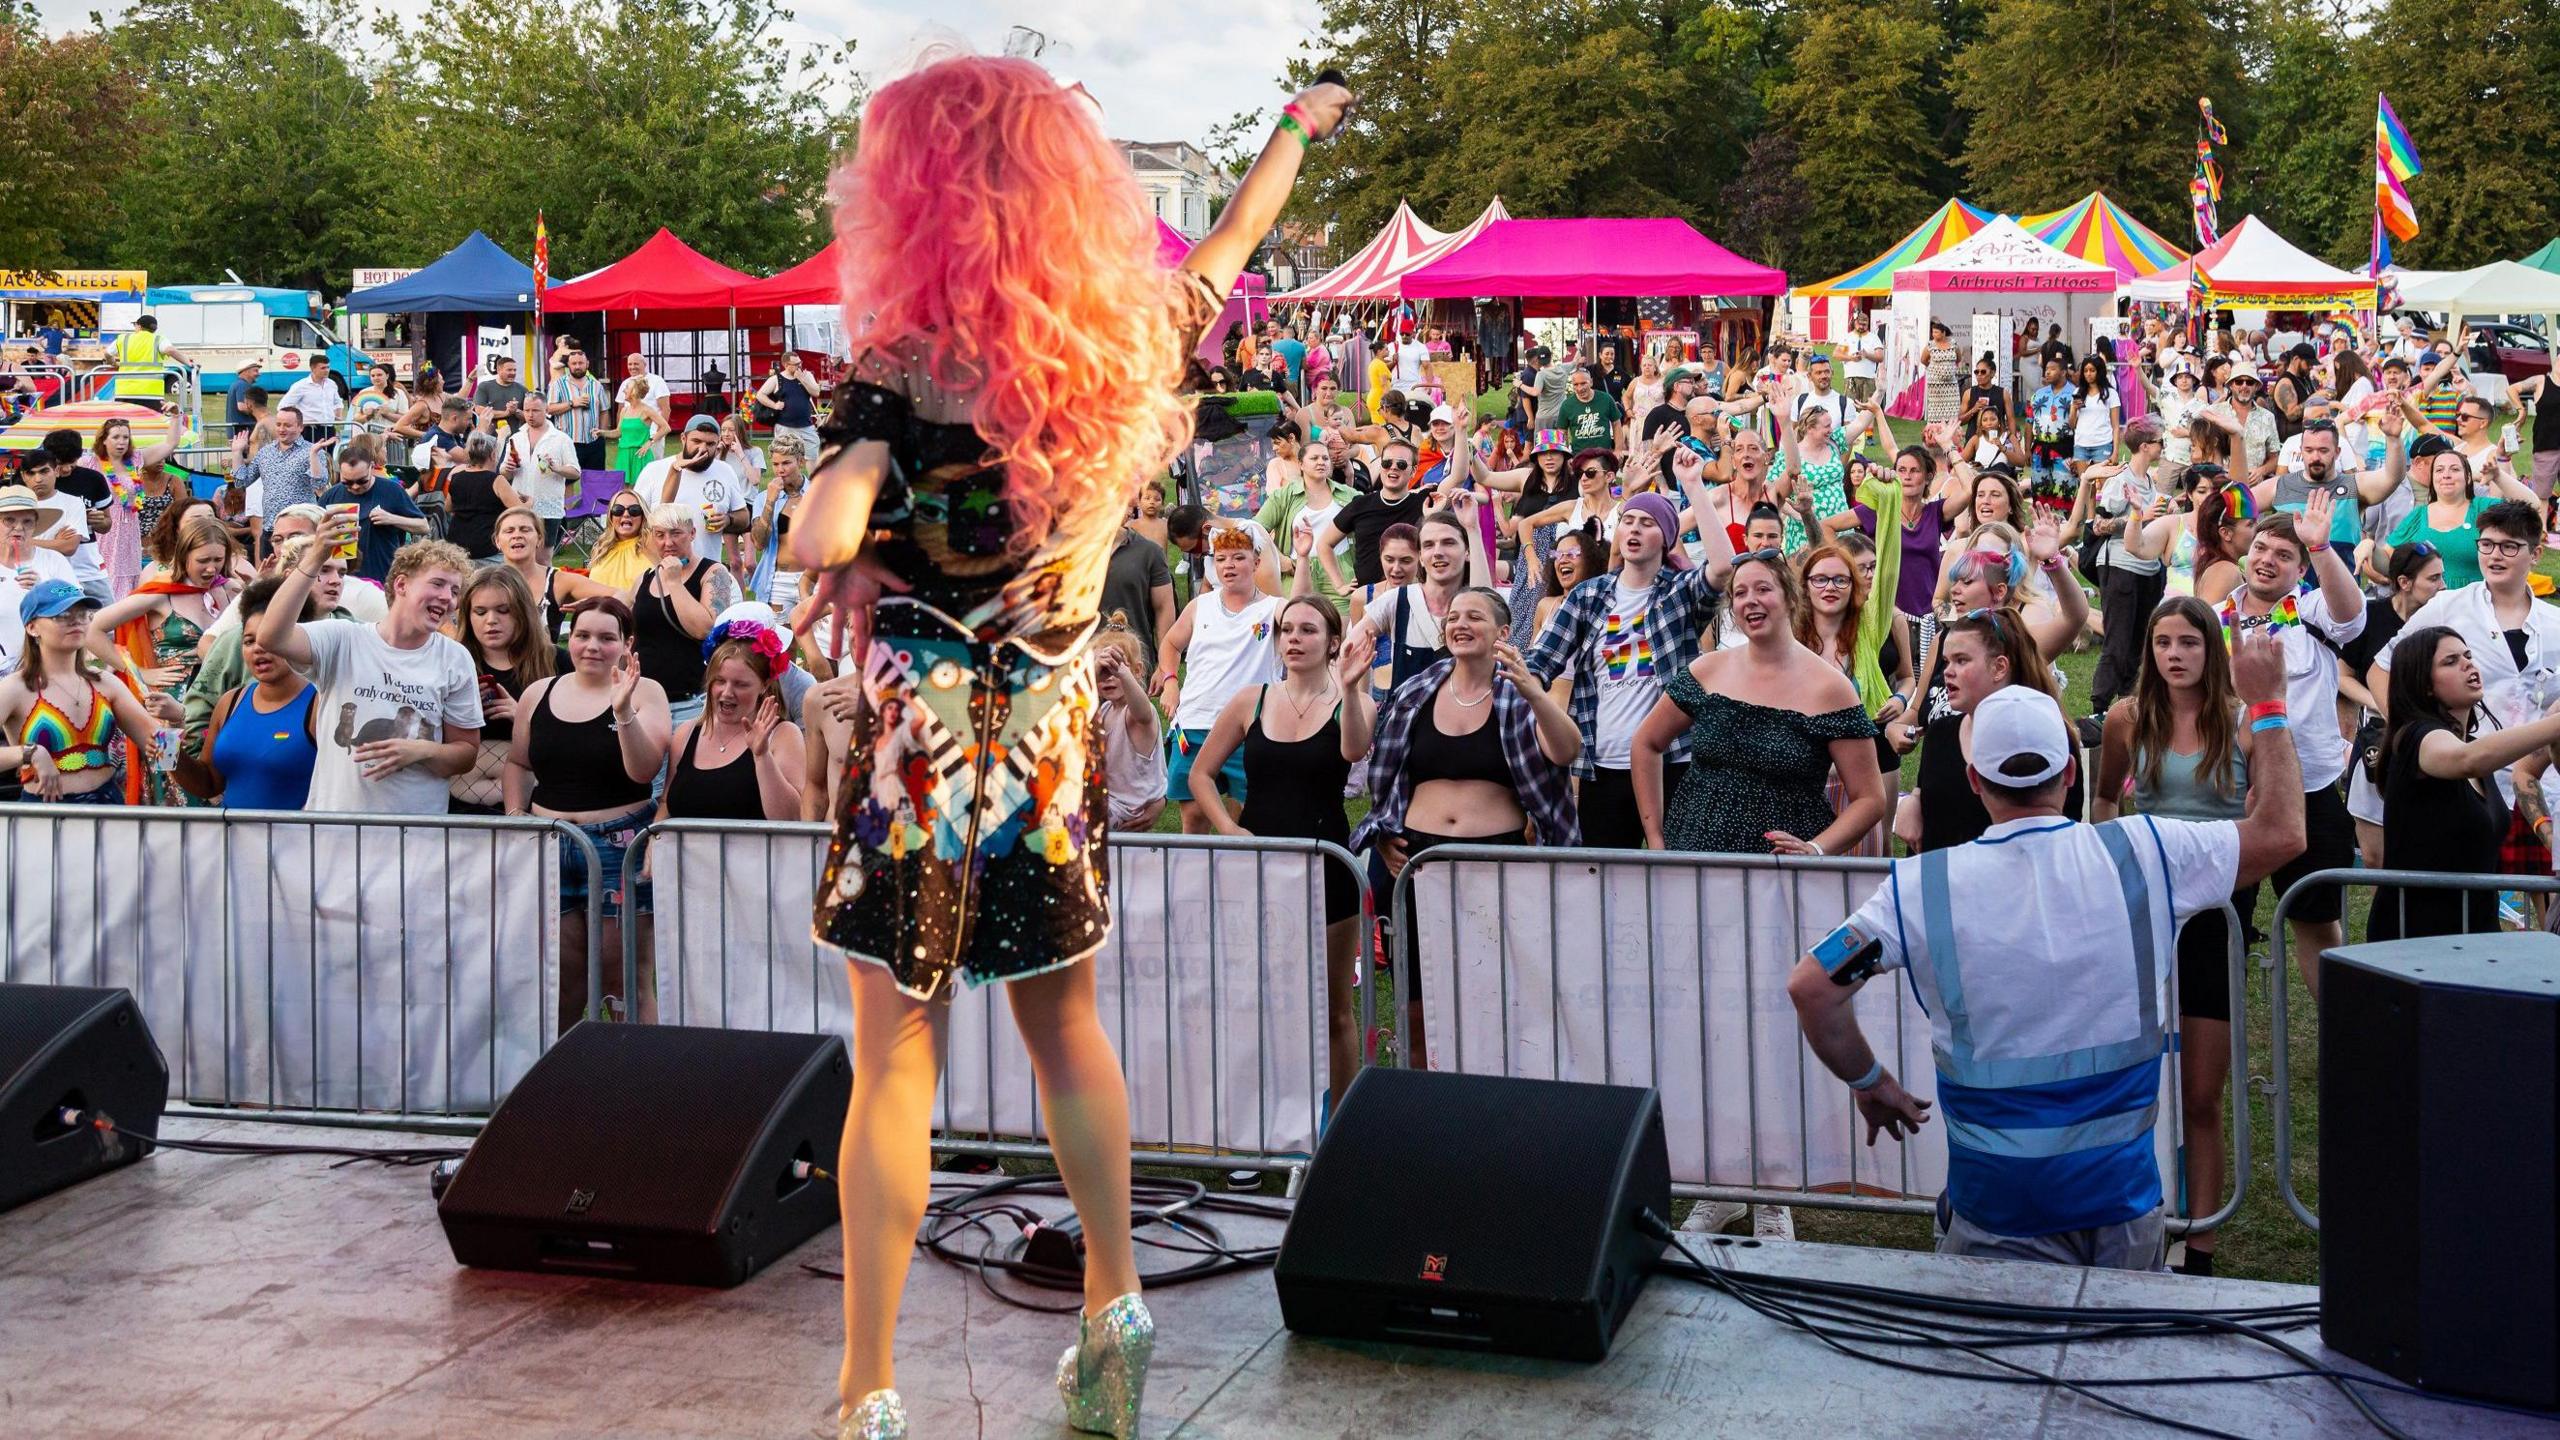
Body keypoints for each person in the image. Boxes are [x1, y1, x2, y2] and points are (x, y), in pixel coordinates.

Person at [780, 61, 1350, 1439]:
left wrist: (848, 515)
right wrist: (1292, 127)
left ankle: (866, 1390)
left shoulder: (899, 369)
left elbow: (818, 535)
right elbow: (1236, 239)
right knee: (1066, 1028)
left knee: (895, 1059)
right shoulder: (1134, 340)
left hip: (924, 762)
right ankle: (1113, 1294)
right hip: (1050, 750)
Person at [1788, 642, 2305, 1271]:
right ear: (2068, 773)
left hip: (1998, 1210)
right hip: (2121, 1205)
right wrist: (2270, 709)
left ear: (1975, 781)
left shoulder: (1919, 887)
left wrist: (1871, 1083)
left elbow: (1813, 986)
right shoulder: (2146, 851)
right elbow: (2282, 833)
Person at [2091, 597, 2256, 1274]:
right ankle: (2138, 1219)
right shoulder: (2129, 718)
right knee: (2135, 1082)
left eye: (2189, 642)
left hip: (2217, 918)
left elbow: (2269, 818)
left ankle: (2202, 1245)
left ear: (2210, 650)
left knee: (2200, 1092)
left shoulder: (2241, 723)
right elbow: (2105, 799)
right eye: (2162, 642)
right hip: (2145, 911)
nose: (2174, 655)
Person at [1354, 587, 1579, 1069]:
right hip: (1416, 862)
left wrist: (1535, 691)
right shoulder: (1417, 691)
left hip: (1496, 861)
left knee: (1496, 997)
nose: (1459, 623)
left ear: (1503, 632)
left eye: (1474, 616)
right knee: (1416, 998)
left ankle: (1490, 1108)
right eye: (1453, 616)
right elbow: (1388, 774)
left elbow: (1565, 751)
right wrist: (1386, 830)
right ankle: (1424, 1109)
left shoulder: (1521, 693)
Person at [1183, 596, 1375, 1102]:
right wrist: (1227, 826)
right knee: (1257, 1000)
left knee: (1334, 1006)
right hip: (1258, 865)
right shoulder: (1251, 699)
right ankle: (1261, 1118)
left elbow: (1354, 751)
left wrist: (1352, 688)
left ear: (1333, 642)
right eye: (1286, 629)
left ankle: (1341, 1126)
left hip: (1328, 865)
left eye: (1308, 630)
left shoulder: (1352, 701)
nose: (1293, 638)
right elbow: (1201, 774)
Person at [1636, 546, 1882, 855]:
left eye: (1763, 589)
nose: (1750, 600)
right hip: (1694, 859)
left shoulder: (1832, 688)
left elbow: (1870, 798)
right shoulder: (1706, 671)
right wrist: (1656, 838)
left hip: (1781, 872)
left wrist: (1815, 849)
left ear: (1791, 598)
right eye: (1740, 593)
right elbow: (1646, 742)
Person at [2218, 496, 2365, 996]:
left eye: (2284, 555)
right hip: (2229, 793)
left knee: (2318, 922)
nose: (2267, 559)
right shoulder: (2215, 618)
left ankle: (2343, 1042)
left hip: (2310, 791)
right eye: (2261, 548)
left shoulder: (2310, 611)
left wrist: (2321, 546)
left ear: (2300, 568)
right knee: (2223, 922)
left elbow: (2352, 617)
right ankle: (2222, 1037)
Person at [1523, 487, 1727, 848]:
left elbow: (1724, 568)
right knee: (1606, 885)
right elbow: (1540, 661)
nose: (1633, 529)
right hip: (1603, 765)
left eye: (1646, 523)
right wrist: (1523, 685)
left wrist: (1693, 485)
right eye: (1628, 521)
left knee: (1678, 877)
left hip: (1674, 761)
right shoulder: (1588, 595)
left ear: (1665, 538)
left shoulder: (1679, 592)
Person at [2376, 500, 2560, 884]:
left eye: (2509, 546)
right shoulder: (2448, 606)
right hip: (2470, 778)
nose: (2495, 555)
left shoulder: (2555, 623)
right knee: (2477, 891)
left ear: (2536, 553)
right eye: (2486, 544)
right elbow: (2385, 665)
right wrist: (2409, 728)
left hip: (2541, 786)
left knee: (2544, 901)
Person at [506, 596, 670, 1026]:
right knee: (563, 977)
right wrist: (512, 813)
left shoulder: (648, 692)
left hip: (620, 849)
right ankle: (562, 1077)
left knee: (623, 979)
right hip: (550, 844)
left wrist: (623, 711)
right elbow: (519, 764)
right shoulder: (538, 693)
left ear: (627, 644)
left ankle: (635, 1082)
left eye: (606, 637)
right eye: (582, 635)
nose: (591, 646)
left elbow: (644, 770)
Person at [256, 525, 483, 816]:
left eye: (455, 591)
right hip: (338, 829)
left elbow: (465, 753)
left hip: (415, 836)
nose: (448, 598)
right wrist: (314, 558)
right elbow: (271, 637)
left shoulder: (454, 657)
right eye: (437, 584)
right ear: (401, 585)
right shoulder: (343, 638)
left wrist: (422, 751)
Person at [2371, 626, 2560, 942]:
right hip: (2416, 939)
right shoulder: (2416, 739)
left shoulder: (2473, 749)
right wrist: (2554, 724)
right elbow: (2467, 759)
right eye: (2451, 661)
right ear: (2424, 683)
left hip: (2476, 933)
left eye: (2469, 656)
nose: (2469, 665)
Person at [89, 510, 241, 804]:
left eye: (217, 560)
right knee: (166, 784)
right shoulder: (160, 593)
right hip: (165, 709)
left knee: (216, 783)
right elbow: (93, 629)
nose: (211, 568)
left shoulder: (230, 592)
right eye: (203, 561)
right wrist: (139, 673)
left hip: (218, 703)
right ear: (184, 556)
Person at [1156, 525, 1285, 832]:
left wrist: (1303, 561)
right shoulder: (1201, 605)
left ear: (1255, 563)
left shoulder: (1274, 609)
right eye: (1221, 558)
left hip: (1250, 728)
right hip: (1197, 723)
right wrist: (1171, 681)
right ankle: (1195, 880)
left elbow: (1308, 623)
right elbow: (1171, 644)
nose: (1228, 565)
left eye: (1238, 558)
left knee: (1246, 820)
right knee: (1194, 821)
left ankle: (1238, 879)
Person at [0, 582, 164, 804]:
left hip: (106, 810)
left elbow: (163, 755)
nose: (76, 620)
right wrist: (30, 753)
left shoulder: (104, 683)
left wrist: (176, 717)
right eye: (62, 615)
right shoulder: (15, 688)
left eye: (83, 614)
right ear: (32, 628)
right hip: (44, 817)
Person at [174, 576, 318, 810]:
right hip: (232, 842)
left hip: (297, 842)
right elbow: (209, 784)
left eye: (270, 639)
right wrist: (169, 752)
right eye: (249, 641)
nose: (258, 649)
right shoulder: (231, 701)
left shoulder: (319, 703)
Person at [661, 618, 805, 822]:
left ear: (764, 685)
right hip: (683, 854)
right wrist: (653, 844)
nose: (727, 693)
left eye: (741, 684)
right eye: (720, 681)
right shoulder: (686, 734)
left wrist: (762, 756)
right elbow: (666, 803)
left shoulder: (784, 735)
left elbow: (791, 819)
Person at [449, 564, 559, 815]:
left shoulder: (554, 662)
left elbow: (575, 738)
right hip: (460, 807)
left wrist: (523, 716)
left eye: (503, 611)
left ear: (522, 612)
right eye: (480, 611)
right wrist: (457, 709)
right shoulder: (452, 663)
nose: (491, 621)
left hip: (532, 805)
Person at [2083, 418, 2170, 717]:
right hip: (2119, 567)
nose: (2163, 446)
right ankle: (2099, 708)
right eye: (2160, 441)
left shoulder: (2149, 481)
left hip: (2147, 570)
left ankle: (2128, 706)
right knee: (2117, 641)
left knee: (2137, 643)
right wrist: (2139, 516)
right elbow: (2098, 525)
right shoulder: (2120, 481)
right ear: (2145, 446)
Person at [2378, 443, 2540, 591]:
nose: (2446, 475)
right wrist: (2369, 548)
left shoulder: (2483, 508)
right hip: (2428, 607)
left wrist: (2498, 476)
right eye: (2439, 470)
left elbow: (2532, 505)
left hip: (2476, 605)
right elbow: (2387, 560)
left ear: (2468, 477)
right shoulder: (2418, 516)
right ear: (2433, 478)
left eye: (2455, 469)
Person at [630, 506, 736, 726]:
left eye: (676, 533)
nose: (668, 543)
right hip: (643, 701)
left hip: (689, 703)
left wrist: (675, 582)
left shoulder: (713, 573)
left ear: (693, 534)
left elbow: (705, 630)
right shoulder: (644, 579)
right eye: (660, 535)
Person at [1313, 438, 1433, 591]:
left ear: (1413, 471)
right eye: (1387, 463)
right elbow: (1324, 544)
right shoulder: (1360, 504)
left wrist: (1460, 429)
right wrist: (1340, 585)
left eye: (1401, 464)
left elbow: (1458, 477)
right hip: (1368, 599)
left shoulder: (1423, 502)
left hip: (1410, 594)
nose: (1393, 468)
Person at [87, 417, 183, 599]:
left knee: (128, 575)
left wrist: (176, 417)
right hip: (106, 529)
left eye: (125, 437)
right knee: (107, 574)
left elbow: (171, 443)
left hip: (129, 529)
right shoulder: (91, 463)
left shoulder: (136, 459)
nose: (121, 442)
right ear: (104, 440)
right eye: (116, 437)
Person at [636, 416, 750, 565]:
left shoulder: (725, 470)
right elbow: (636, 520)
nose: (702, 449)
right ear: (683, 438)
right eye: (696, 441)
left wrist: (728, 519)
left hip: (707, 570)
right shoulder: (654, 470)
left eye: (710, 444)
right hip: (662, 570)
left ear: (718, 444)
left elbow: (744, 516)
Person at [317, 440, 431, 585]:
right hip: (342, 577)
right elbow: (315, 531)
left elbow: (423, 526)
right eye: (347, 482)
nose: (355, 487)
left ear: (371, 467)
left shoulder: (391, 490)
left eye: (361, 481)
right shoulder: (332, 495)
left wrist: (392, 519)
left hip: (382, 575)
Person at [1091, 628, 1165, 832]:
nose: (1109, 677)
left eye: (1115, 670)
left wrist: (1122, 672)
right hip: (1110, 801)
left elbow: (1142, 712)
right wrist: (1091, 672)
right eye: (1103, 671)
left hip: (1128, 809)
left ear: (1138, 671)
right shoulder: (1105, 710)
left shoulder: (1137, 712)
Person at [504, 394, 584, 557]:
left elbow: (575, 471)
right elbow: (503, 473)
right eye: (526, 410)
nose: (530, 415)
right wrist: (508, 468)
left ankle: (545, 582)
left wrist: (556, 468)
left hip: (548, 507)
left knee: (544, 557)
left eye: (535, 410)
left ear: (546, 410)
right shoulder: (516, 438)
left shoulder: (561, 439)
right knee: (518, 555)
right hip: (519, 505)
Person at [235, 405, 324, 546]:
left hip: (301, 530)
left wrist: (313, 456)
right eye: (279, 424)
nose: (282, 429)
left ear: (300, 427)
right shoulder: (265, 452)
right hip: (272, 529)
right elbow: (241, 482)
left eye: (287, 425)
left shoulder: (312, 451)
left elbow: (319, 485)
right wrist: (237, 453)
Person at [443, 433, 520, 561]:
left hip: (457, 546)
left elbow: (448, 507)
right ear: (493, 455)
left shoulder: (457, 477)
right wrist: (530, 501)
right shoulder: (496, 480)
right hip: (486, 547)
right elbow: (520, 510)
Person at [546, 346, 616, 473]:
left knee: (595, 481)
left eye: (580, 363)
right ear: (568, 365)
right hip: (568, 442)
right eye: (574, 363)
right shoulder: (558, 385)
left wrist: (602, 434)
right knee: (567, 481)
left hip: (593, 442)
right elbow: (550, 409)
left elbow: (604, 411)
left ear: (587, 364)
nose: (577, 366)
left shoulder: (596, 385)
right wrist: (572, 403)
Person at [585, 486, 655, 593]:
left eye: (634, 510)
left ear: (643, 516)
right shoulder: (602, 547)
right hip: (599, 607)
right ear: (611, 516)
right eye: (618, 510)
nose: (626, 514)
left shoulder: (652, 544)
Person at [614, 369, 664, 483]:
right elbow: (618, 432)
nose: (624, 390)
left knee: (641, 488)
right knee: (623, 490)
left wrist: (650, 441)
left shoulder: (647, 410)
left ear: (634, 391)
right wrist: (601, 432)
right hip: (624, 454)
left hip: (640, 454)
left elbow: (665, 428)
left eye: (627, 387)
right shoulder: (624, 410)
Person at [471, 356, 531, 433]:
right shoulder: (485, 386)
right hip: (490, 439)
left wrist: (516, 411)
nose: (513, 373)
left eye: (514, 370)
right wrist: (506, 413)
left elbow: (530, 416)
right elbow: (480, 410)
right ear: (499, 370)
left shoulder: (523, 390)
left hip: (515, 439)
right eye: (509, 370)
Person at [1921, 320, 1963, 427]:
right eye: (1933, 332)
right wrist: (1934, 369)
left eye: (1936, 332)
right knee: (1936, 414)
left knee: (1952, 413)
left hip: (1951, 386)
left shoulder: (1953, 344)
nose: (1934, 334)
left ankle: (1952, 433)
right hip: (1935, 385)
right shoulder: (1930, 345)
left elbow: (1958, 358)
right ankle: (1934, 435)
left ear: (1943, 333)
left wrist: (1949, 367)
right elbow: (1923, 360)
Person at [1839, 313, 1883, 404]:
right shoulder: (1848, 338)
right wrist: (1851, 358)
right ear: (1855, 323)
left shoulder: (1873, 338)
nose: (1862, 327)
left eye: (1864, 324)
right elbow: (1837, 354)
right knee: (1850, 407)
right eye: (1860, 324)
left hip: (1868, 379)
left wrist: (1867, 355)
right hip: (1851, 378)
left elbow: (1880, 357)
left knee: (1868, 409)